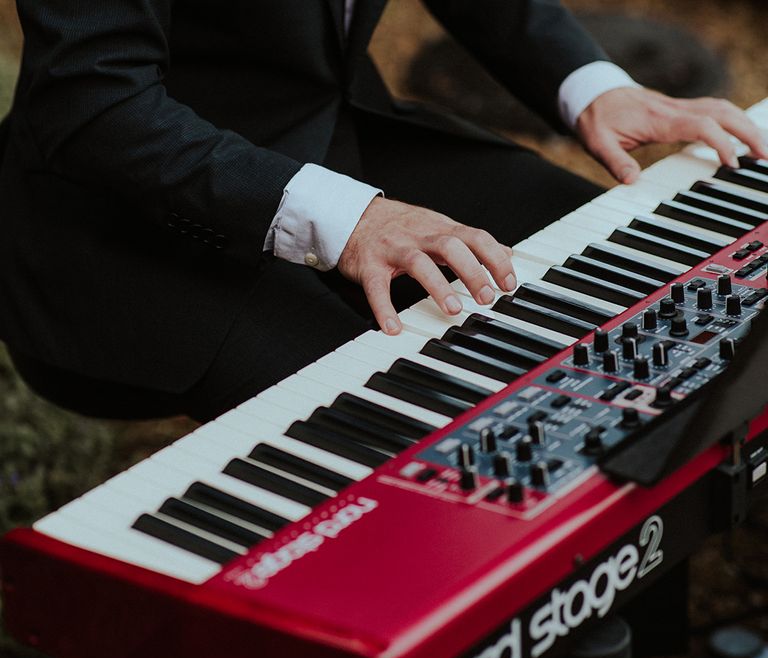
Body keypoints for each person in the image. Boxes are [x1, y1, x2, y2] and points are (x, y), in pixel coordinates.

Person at [0, 0, 765, 422]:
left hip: (332, 127)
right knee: (404, 425)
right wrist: (355, 221)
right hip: (124, 225)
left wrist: (591, 84)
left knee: (650, 291)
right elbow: (92, 103)